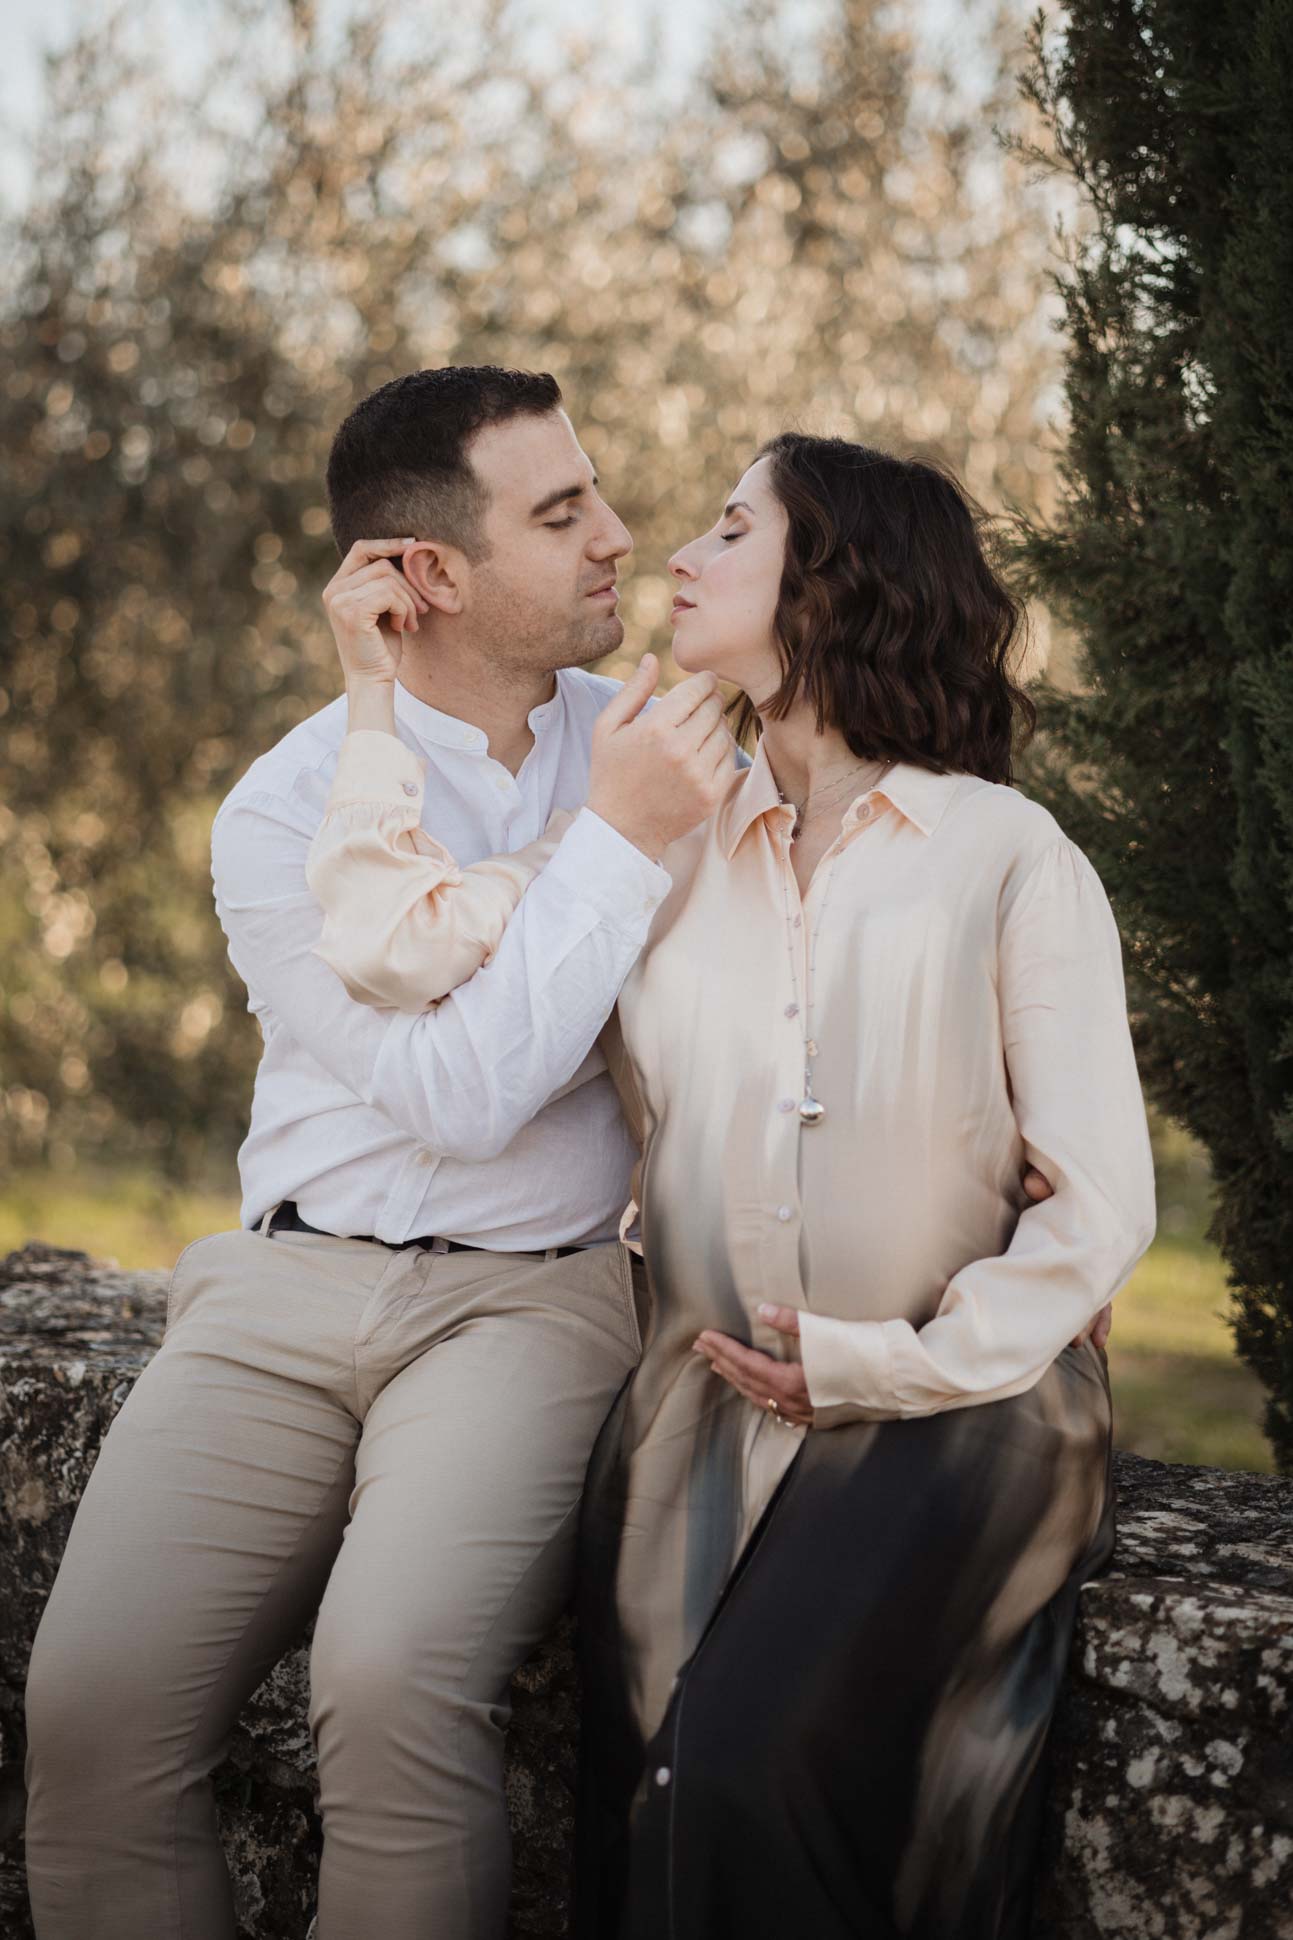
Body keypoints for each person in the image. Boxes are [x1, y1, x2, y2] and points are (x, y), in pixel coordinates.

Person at [301, 430, 1149, 1939]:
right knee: (658, 1810)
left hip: (957, 1407)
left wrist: (887, 1360)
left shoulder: (1008, 857)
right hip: (696, 1411)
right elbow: (391, 939)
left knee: (752, 1763)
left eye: (727, 531)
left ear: (830, 583)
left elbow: (1098, 1210)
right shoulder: (659, 851)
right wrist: (372, 694)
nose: (672, 557)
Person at [21, 366, 737, 1940]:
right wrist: (610, 854)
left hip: (533, 1304)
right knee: (89, 1717)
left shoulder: (667, 754)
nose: (620, 537)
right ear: (429, 575)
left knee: (393, 1680)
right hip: (278, 1291)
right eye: (561, 515)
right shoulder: (279, 813)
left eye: (596, 493)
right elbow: (461, 1096)